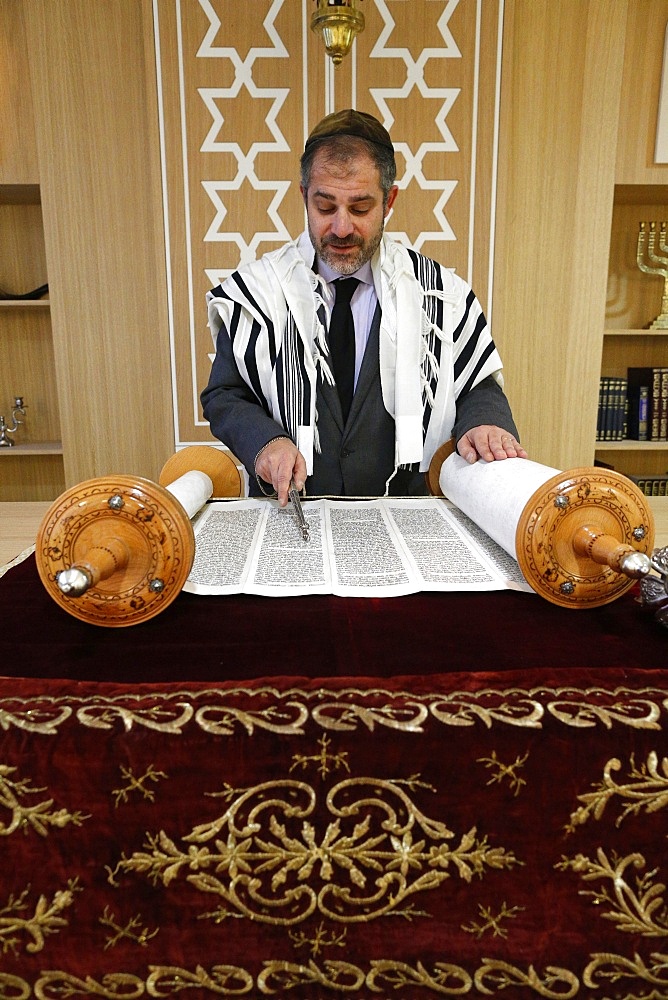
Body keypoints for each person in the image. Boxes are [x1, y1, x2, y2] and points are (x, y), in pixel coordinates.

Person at [201, 109, 526, 506]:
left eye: (359, 208)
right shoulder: (258, 291)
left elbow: (476, 385)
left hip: (407, 518)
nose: (340, 228)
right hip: (291, 515)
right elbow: (225, 393)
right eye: (325, 207)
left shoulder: (443, 295)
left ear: (389, 200)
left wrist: (485, 424)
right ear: (304, 195)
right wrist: (265, 442)